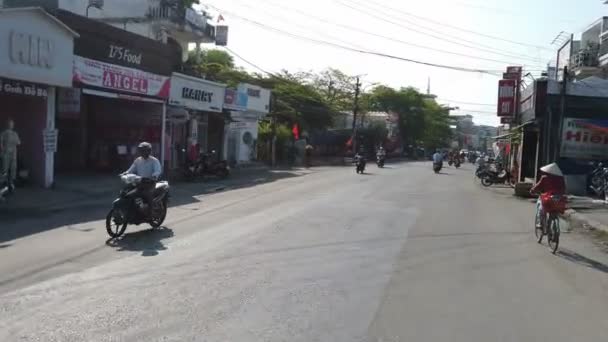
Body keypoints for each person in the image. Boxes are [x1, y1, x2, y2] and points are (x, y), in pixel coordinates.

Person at [124, 142, 162, 215]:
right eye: (141, 150)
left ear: (149, 151)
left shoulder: (154, 161)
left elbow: (158, 170)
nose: (142, 152)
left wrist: (154, 176)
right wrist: (126, 173)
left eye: (144, 150)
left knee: (146, 195)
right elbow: (132, 168)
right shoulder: (138, 160)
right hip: (140, 183)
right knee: (128, 194)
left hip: (150, 183)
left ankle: (150, 212)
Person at [530, 163, 566, 229]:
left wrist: (532, 190)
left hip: (548, 197)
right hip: (559, 198)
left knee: (541, 207)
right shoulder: (560, 178)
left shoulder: (544, 178)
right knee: (555, 209)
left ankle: (540, 223)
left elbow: (538, 186)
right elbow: (564, 188)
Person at [0, 119, 21, 183]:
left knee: (13, 169)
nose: (11, 125)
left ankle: (11, 183)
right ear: (7, 124)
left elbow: (18, 143)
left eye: (12, 124)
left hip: (13, 154)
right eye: (10, 124)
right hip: (6, 154)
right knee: (4, 169)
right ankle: (4, 183)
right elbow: (0, 144)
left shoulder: (15, 133)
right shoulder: (3, 133)